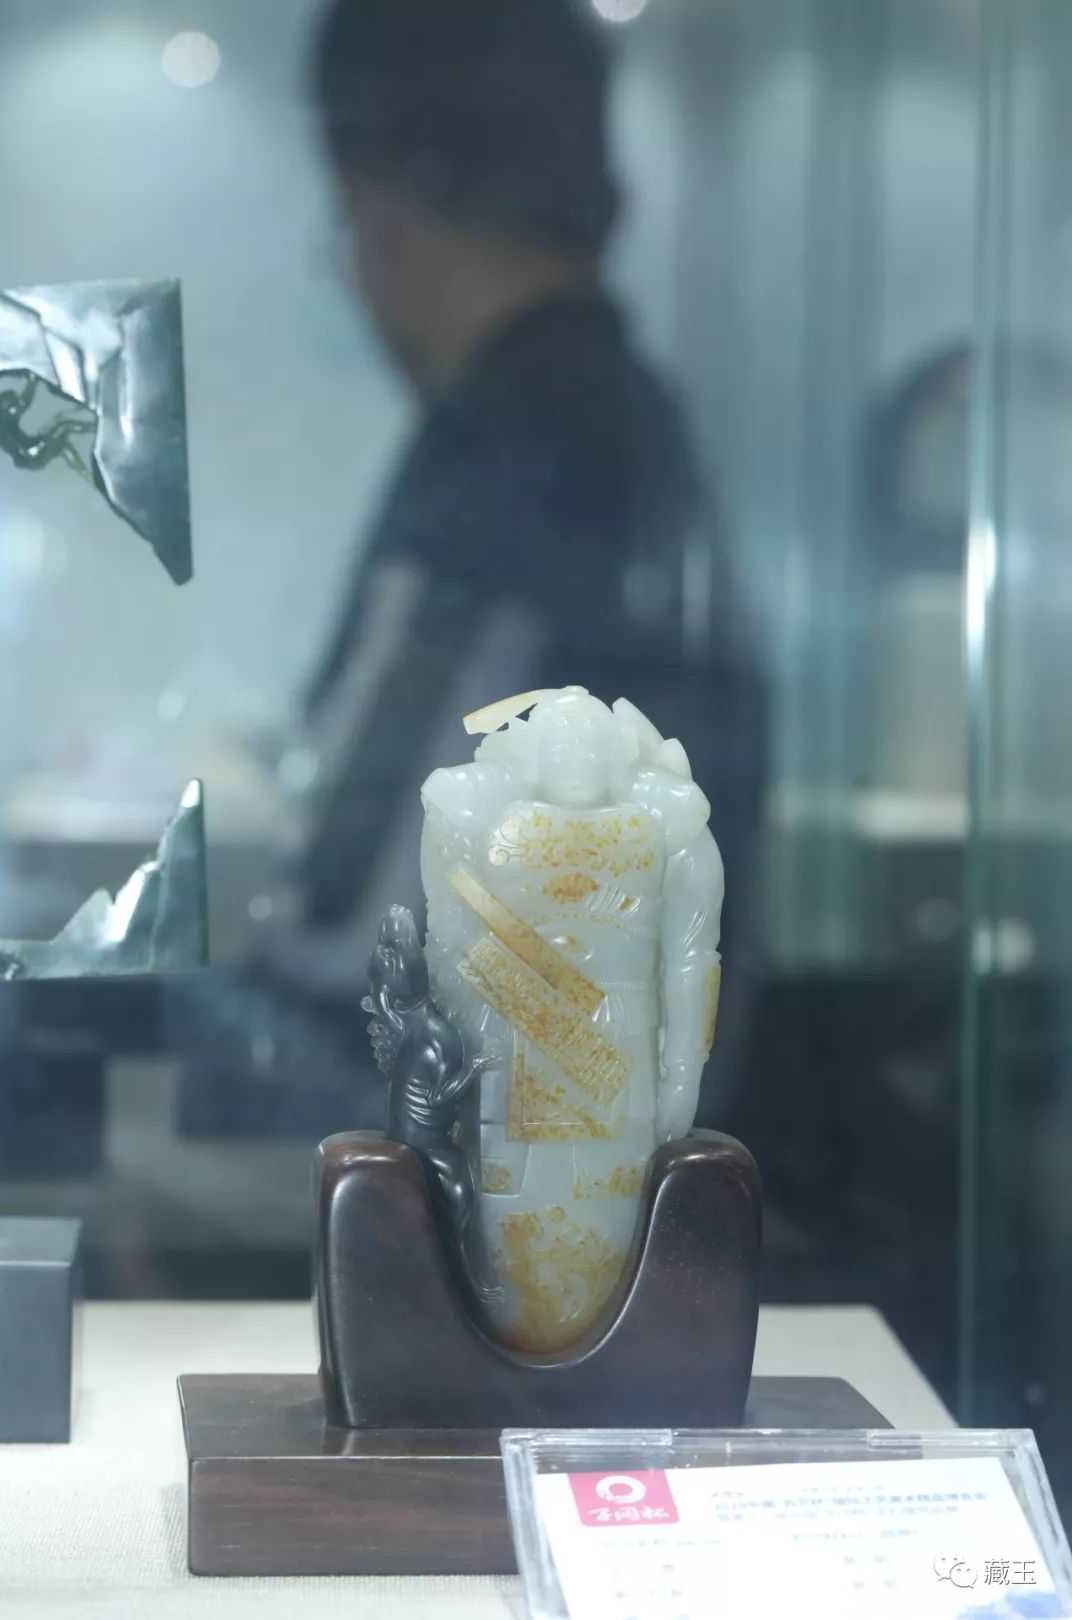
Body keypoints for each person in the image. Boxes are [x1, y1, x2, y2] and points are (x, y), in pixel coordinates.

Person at [183, 0, 764, 1143]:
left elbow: (342, 939)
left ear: (380, 210)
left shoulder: (508, 453)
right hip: (605, 1169)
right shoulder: (632, 431)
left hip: (464, 1182)